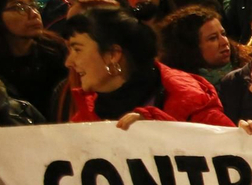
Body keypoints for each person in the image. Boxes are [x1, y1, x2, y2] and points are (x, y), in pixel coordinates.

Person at [59, 7, 232, 127]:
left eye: (77, 49)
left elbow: (234, 155)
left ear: (113, 54)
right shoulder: (84, 119)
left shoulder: (192, 104)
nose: (69, 62)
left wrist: (157, 129)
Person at [158, 5, 243, 87]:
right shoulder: (182, 87)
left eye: (223, 34)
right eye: (213, 38)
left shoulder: (249, 68)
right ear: (191, 47)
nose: (224, 42)